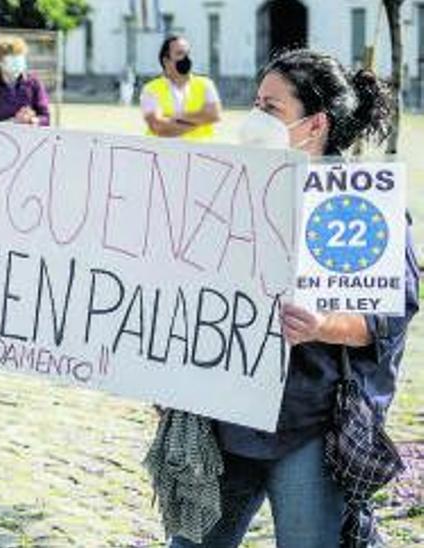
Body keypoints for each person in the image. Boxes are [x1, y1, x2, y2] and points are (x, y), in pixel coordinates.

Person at [167, 48, 420, 548]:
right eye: (256, 103)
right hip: (226, 417)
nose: (254, 119)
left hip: (307, 426)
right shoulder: (230, 188)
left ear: (314, 124)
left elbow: (387, 314)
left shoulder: (361, 202)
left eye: (271, 108)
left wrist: (323, 327)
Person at [141, 35, 221, 140]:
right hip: (164, 153)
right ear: (166, 61)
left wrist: (175, 117)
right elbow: (158, 127)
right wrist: (199, 120)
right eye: (180, 54)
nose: (186, 58)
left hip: (198, 153)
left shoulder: (206, 84)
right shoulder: (151, 89)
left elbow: (213, 115)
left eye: (187, 54)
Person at [0, 35, 49, 126]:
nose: (18, 64)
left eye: (20, 59)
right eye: (12, 60)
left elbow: (45, 117)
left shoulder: (34, 84)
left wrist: (32, 120)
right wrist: (14, 122)